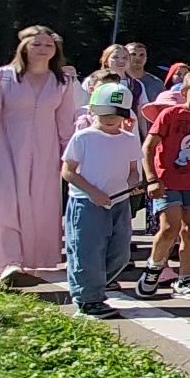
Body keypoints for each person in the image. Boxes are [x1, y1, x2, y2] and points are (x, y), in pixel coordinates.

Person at [0, 26, 77, 286]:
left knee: (39, 205)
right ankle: (7, 262)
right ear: (23, 47)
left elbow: (65, 122)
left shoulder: (62, 82)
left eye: (48, 45)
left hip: (45, 152)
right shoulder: (3, 77)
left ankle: (28, 259)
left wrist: (68, 153)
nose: (42, 49)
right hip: (3, 148)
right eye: (36, 44)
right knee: (2, 204)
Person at [61, 83, 144, 319]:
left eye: (117, 113)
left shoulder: (128, 139)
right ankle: (88, 298)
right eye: (105, 112)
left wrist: (132, 184)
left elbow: (133, 171)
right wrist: (92, 192)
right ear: (94, 110)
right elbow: (68, 171)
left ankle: (97, 284)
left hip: (119, 203)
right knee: (86, 251)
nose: (111, 119)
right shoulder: (83, 138)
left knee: (120, 252)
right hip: (86, 204)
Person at [134, 73, 190, 300]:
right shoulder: (170, 115)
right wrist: (151, 178)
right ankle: (153, 267)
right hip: (167, 181)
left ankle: (185, 278)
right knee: (170, 227)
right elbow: (148, 147)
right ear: (184, 93)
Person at [125, 42, 166, 106]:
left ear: (146, 58)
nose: (138, 58)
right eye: (133, 54)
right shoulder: (118, 80)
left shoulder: (156, 83)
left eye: (142, 55)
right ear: (125, 57)